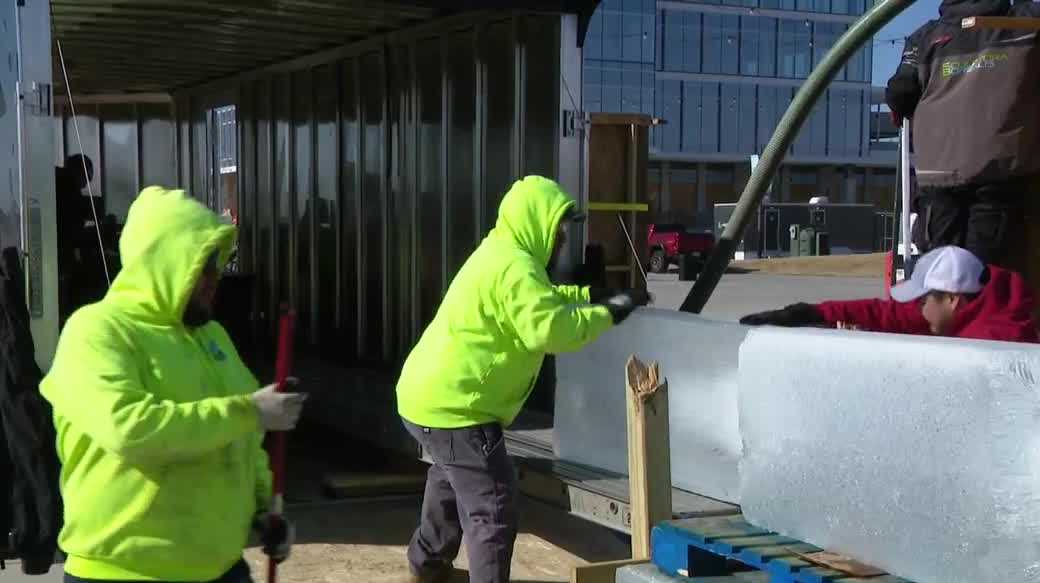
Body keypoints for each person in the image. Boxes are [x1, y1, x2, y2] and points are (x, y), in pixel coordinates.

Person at [40, 186, 307, 583]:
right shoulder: (97, 332)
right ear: (163, 261)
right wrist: (248, 411)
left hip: (222, 569)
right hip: (122, 573)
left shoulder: (211, 336)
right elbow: (130, 429)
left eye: (219, 261)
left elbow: (242, 440)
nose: (215, 277)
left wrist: (263, 506)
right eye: (203, 263)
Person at [396, 175, 650, 583]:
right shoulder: (516, 267)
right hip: (458, 407)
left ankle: (426, 565)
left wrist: (590, 296)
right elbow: (548, 329)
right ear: (537, 223)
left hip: (428, 400)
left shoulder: (504, 253)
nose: (563, 240)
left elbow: (543, 300)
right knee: (492, 508)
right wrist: (609, 314)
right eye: (560, 231)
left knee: (450, 478)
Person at [885, 0, 1040, 272]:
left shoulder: (926, 37)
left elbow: (900, 93)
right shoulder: (1026, 23)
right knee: (994, 277)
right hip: (1003, 174)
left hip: (940, 177)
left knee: (944, 277)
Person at [741, 246, 1038, 343]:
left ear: (952, 298)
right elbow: (889, 314)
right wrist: (813, 313)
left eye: (923, 301)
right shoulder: (970, 308)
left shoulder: (997, 340)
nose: (917, 309)